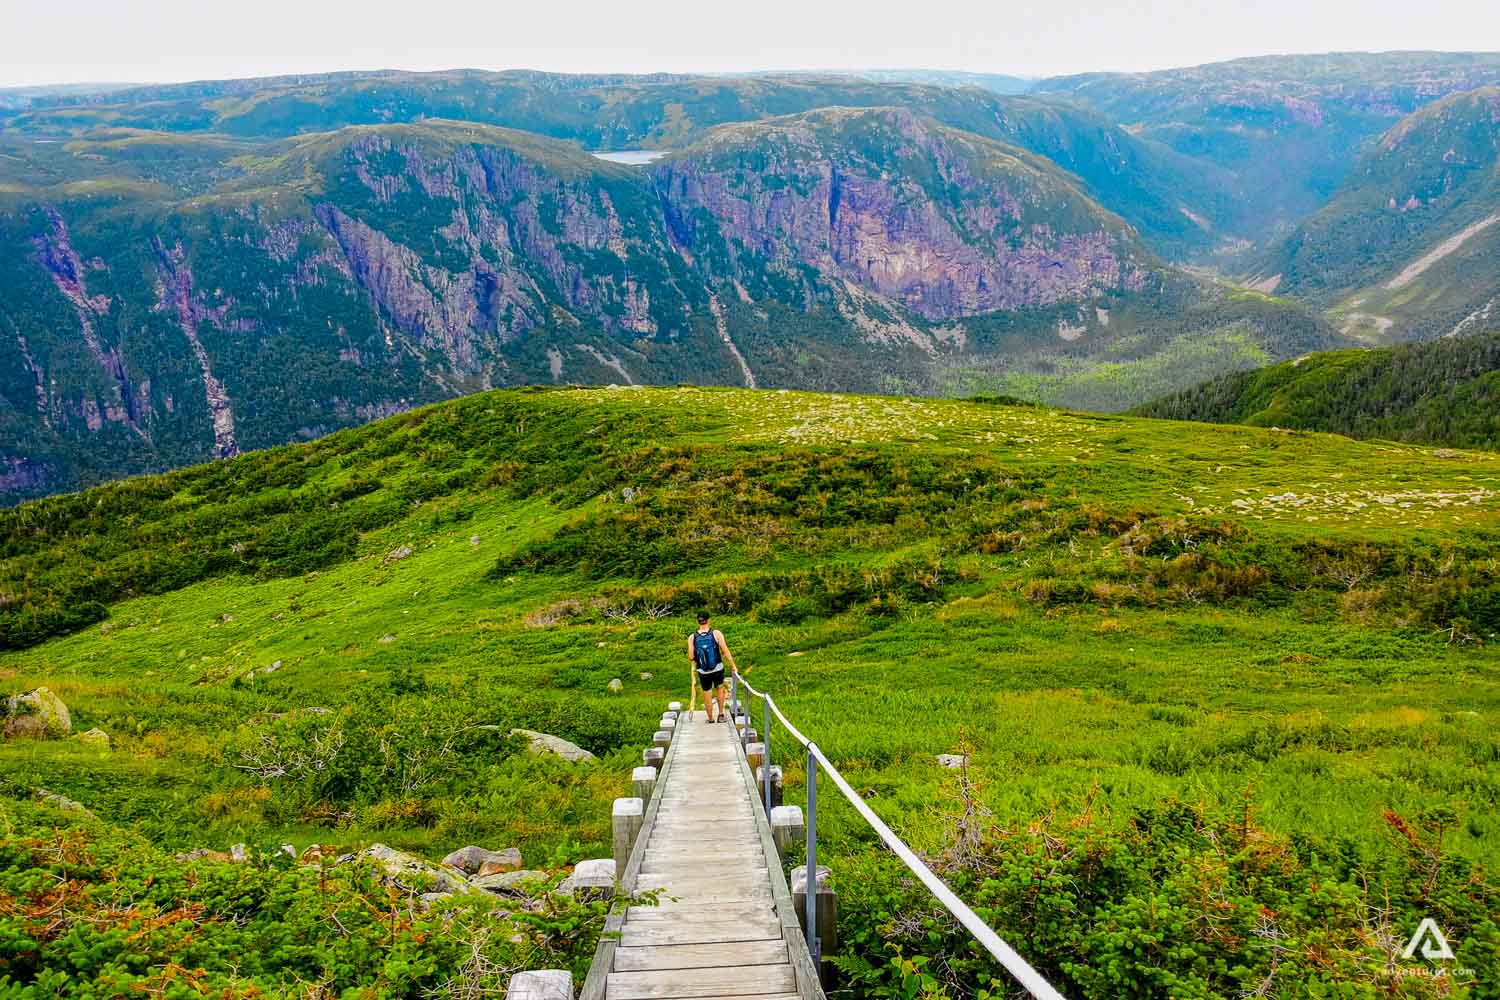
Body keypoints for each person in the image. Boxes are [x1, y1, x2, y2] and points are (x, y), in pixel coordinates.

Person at [687, 611, 743, 723]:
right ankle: (721, 715)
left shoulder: (692, 637)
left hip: (703, 671)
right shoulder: (716, 633)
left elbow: (691, 656)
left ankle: (710, 718)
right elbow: (725, 650)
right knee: (720, 689)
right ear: (709, 620)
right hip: (717, 668)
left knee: (707, 693)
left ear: (698, 621)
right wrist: (733, 666)